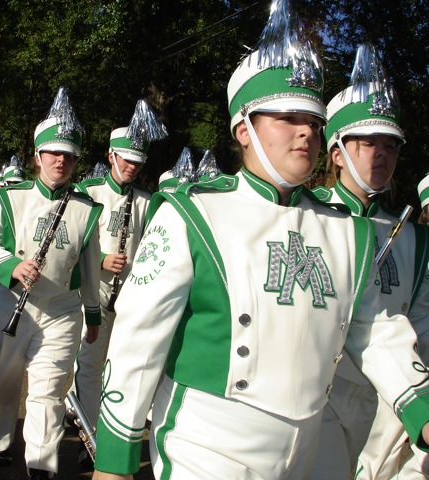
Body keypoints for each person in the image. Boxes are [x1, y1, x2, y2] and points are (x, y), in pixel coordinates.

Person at [92, 2, 429, 479]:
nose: (306, 133)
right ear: (242, 130)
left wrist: (423, 411)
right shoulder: (193, 213)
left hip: (313, 449)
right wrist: (114, 460)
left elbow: (373, 329)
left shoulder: (346, 230)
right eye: (286, 117)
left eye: (313, 121)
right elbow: (137, 343)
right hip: (208, 446)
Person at [309, 44, 429, 479]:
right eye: (367, 142)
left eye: (390, 145)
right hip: (312, 391)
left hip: (387, 401)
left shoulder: (415, 238)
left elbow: (421, 321)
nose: (381, 153)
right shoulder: (304, 216)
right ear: (337, 151)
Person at [0, 87, 102, 480]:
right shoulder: (10, 197)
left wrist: (92, 313)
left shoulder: (86, 209)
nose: (60, 161)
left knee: (49, 391)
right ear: (37, 157)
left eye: (68, 155)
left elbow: (90, 267)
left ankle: (41, 465)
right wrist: (11, 265)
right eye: (53, 153)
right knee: (5, 383)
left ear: (77, 160)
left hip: (61, 310)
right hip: (9, 304)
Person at [70, 99, 166, 466]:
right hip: (92, 295)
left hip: (130, 299)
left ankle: (117, 434)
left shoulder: (146, 200)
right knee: (91, 366)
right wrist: (101, 259)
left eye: (137, 163)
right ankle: (90, 440)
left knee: (126, 369)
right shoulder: (88, 192)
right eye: (125, 160)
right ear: (110, 156)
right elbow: (72, 246)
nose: (131, 167)